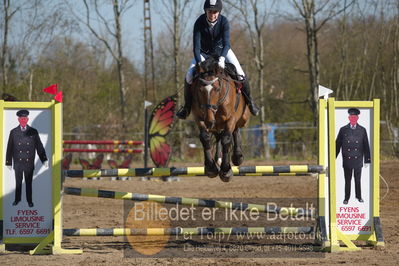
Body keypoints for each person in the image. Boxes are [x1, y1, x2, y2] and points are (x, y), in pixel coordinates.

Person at [176, 0, 259, 119]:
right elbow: (196, 47)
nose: (212, 14)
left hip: (222, 52)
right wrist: (199, 62)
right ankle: (187, 107)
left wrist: (222, 58)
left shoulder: (224, 21)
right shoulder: (199, 22)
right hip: (203, 54)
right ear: (206, 11)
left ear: (219, 12)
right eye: (210, 11)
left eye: (215, 12)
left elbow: (226, 44)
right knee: (189, 75)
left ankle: (250, 103)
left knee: (241, 74)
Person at [6, 110, 48, 208]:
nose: (23, 120)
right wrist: (8, 162)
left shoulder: (33, 131)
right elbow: (9, 148)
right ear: (18, 120)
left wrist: (44, 159)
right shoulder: (13, 132)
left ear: (27, 119)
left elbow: (39, 147)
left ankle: (29, 201)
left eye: (25, 118)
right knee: (18, 183)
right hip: (18, 162)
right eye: (21, 119)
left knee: (29, 183)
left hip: (29, 162)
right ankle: (17, 199)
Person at [336, 108, 371, 205]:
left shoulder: (362, 130)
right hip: (347, 160)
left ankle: (358, 196)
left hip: (358, 159)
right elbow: (337, 144)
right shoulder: (343, 130)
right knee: (347, 180)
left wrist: (367, 160)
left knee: (357, 180)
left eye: (354, 117)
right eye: (351, 117)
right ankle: (346, 198)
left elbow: (366, 145)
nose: (353, 118)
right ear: (349, 118)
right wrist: (332, 157)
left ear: (357, 118)